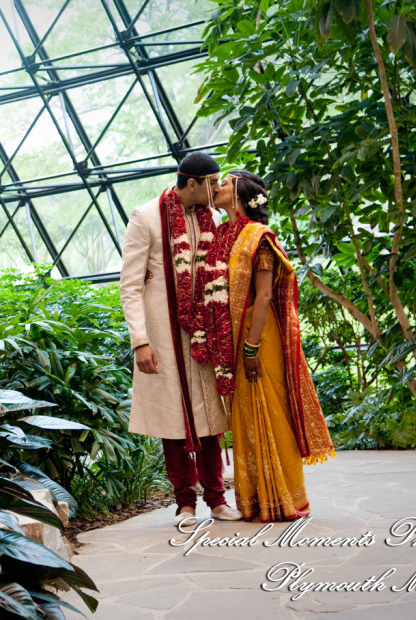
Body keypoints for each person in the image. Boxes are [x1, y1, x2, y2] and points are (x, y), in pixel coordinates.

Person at [202, 173, 336, 523]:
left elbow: (263, 295)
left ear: (241, 197)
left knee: (268, 409)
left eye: (225, 184)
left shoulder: (257, 238)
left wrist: (249, 347)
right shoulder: (222, 236)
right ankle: (256, 500)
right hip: (235, 336)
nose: (216, 188)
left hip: (258, 337)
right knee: (245, 414)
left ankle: (284, 498)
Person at [119, 153, 243, 527]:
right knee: (172, 418)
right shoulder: (146, 217)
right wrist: (140, 340)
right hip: (163, 333)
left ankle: (218, 500)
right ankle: (184, 504)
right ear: (192, 184)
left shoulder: (213, 219)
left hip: (204, 330)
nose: (216, 188)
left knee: (209, 415)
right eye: (211, 182)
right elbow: (129, 285)